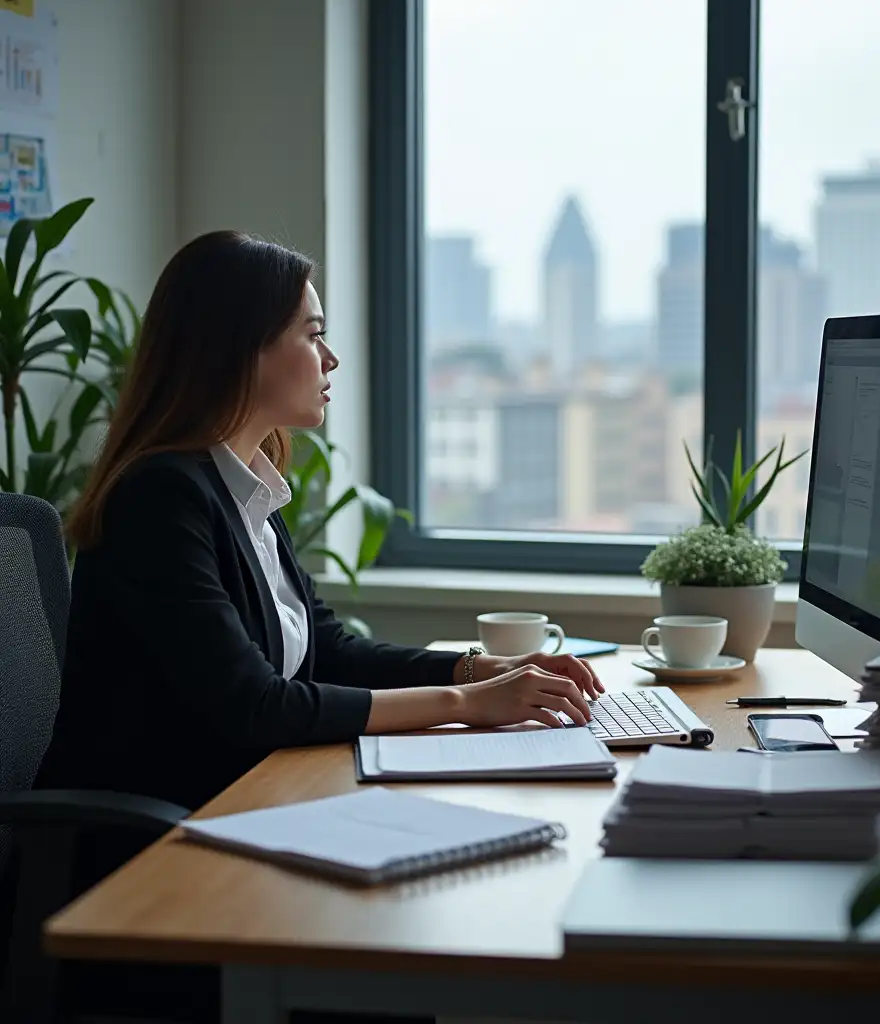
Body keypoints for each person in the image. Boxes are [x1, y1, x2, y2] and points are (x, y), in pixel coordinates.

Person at [34, 230, 605, 1022]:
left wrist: (471, 672)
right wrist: (469, 709)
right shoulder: (160, 500)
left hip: (246, 814)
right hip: (160, 859)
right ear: (242, 351)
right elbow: (256, 704)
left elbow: (325, 648)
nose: (331, 360)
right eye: (313, 334)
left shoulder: (242, 487)